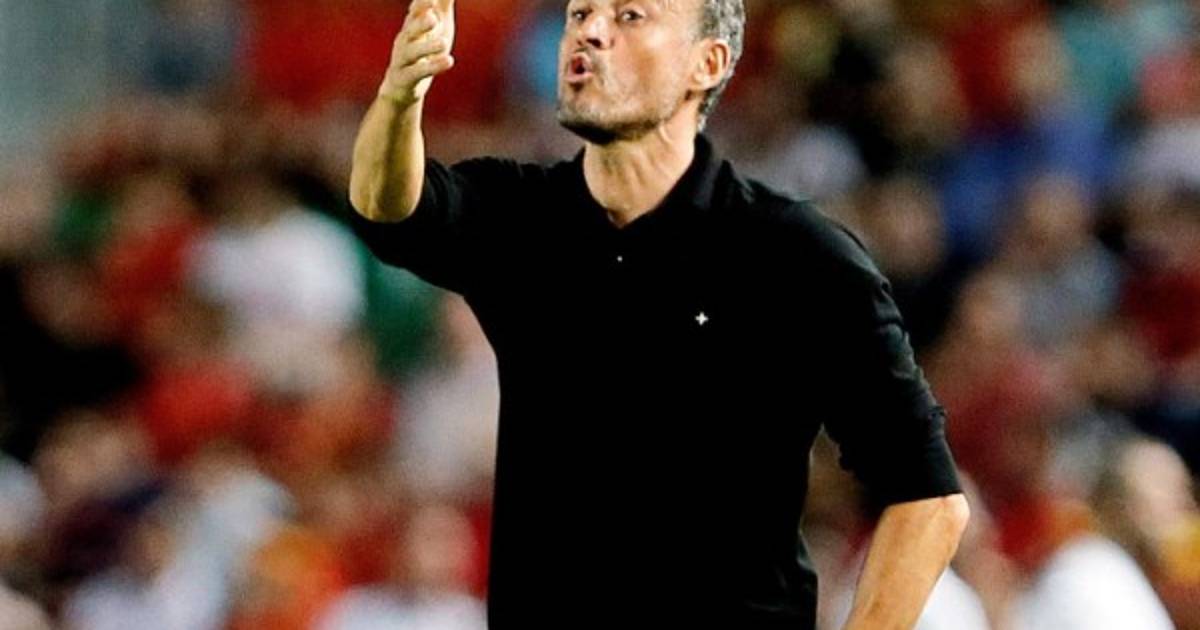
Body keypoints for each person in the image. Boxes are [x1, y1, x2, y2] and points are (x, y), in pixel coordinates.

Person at [346, 0, 970, 627]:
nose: (590, 31)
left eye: (630, 16)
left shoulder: (794, 256)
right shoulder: (522, 218)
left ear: (708, 63)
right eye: (580, 14)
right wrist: (401, 96)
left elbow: (929, 500)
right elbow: (387, 206)